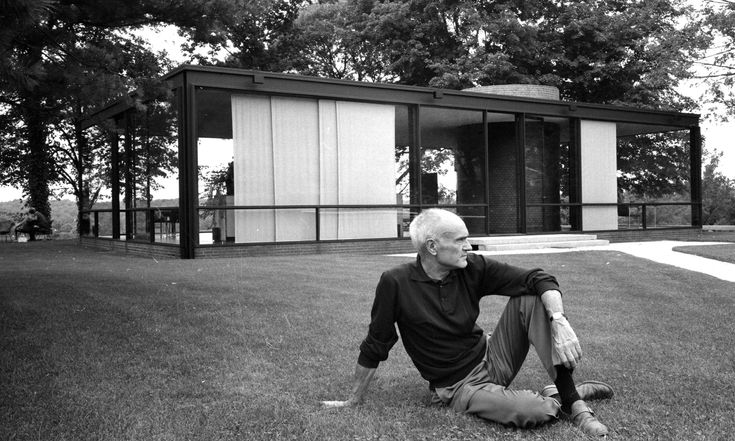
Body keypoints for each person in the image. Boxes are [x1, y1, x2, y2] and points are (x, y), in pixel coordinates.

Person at [322, 208, 614, 437]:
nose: (468, 246)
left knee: (531, 298)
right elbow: (377, 342)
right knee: (534, 411)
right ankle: (556, 396)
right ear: (433, 246)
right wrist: (353, 400)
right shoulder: (395, 282)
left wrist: (559, 320)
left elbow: (538, 278)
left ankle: (574, 402)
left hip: (491, 356)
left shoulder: (472, 267)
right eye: (459, 240)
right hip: (457, 386)